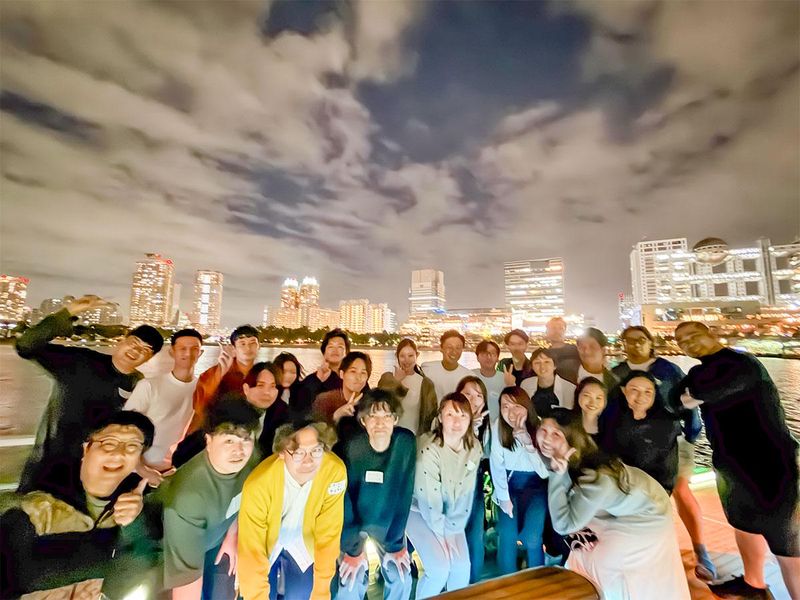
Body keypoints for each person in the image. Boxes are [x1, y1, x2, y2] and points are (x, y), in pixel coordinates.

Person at [674, 322, 800, 598]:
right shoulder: (697, 371)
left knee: (786, 541)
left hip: (771, 462)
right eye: (681, 341)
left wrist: (693, 395)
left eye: (693, 335)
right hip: (730, 464)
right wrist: (690, 396)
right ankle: (754, 583)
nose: (687, 343)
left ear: (711, 333)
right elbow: (677, 399)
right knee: (742, 523)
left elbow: (710, 391)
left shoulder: (743, 363)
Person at [16, 294, 164, 492]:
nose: (136, 351)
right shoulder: (80, 361)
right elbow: (26, 346)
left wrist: (140, 467)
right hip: (50, 465)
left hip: (100, 473)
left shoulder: (139, 384)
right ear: (122, 340)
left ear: (149, 358)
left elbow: (135, 430)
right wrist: (68, 312)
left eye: (145, 350)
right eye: (134, 343)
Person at [537, 409, 690, 600]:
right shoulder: (571, 456)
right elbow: (569, 514)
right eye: (543, 430)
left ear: (571, 438)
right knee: (580, 554)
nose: (546, 438)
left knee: (600, 563)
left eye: (556, 434)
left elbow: (563, 525)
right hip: (617, 508)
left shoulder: (596, 477)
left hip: (648, 514)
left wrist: (556, 475)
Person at [1, 411, 154, 598]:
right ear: (86, 448)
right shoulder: (35, 510)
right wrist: (106, 555)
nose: (118, 453)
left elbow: (140, 573)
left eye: (132, 446)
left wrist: (133, 525)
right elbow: (12, 576)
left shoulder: (138, 512)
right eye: (109, 443)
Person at [611, 325, 715, 581]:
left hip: (674, 438)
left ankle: (700, 549)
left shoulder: (668, 370)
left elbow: (688, 404)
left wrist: (690, 436)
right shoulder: (617, 373)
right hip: (632, 441)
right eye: (629, 340)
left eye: (641, 339)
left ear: (650, 342)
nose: (635, 344)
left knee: (680, 489)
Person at [156, 397, 261, 600]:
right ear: (209, 441)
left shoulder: (250, 460)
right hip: (171, 555)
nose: (239, 451)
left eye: (246, 439)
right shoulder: (189, 497)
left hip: (217, 538)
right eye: (229, 440)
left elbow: (240, 498)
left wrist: (232, 536)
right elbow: (186, 583)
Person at [237, 421, 347, 600]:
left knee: (302, 593)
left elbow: (328, 535)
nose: (308, 461)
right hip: (266, 543)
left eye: (316, 450)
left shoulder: (334, 472)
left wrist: (321, 591)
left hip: (306, 544)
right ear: (281, 452)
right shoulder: (258, 484)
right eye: (298, 452)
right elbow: (252, 552)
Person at [336, 390, 416, 600]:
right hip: (352, 526)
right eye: (373, 416)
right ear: (363, 421)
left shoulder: (405, 443)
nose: (380, 423)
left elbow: (404, 494)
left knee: (401, 577)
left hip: (387, 527)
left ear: (395, 419)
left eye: (386, 416)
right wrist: (354, 549)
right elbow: (343, 501)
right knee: (350, 583)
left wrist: (396, 545)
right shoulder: (350, 447)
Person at [406, 393, 482, 599]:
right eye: (450, 414)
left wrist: (454, 529)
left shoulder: (474, 447)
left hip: (450, 513)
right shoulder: (429, 450)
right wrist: (444, 536)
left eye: (462, 415)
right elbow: (428, 500)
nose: (457, 422)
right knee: (439, 568)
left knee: (461, 567)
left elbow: (466, 494)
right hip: (416, 510)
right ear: (440, 417)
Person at [125, 328, 204, 487]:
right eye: (182, 348)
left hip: (176, 472)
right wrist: (141, 469)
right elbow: (124, 430)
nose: (188, 353)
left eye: (194, 349)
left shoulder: (202, 389)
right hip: (137, 473)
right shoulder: (149, 386)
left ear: (200, 353)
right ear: (172, 352)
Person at [489, 387, 549, 575]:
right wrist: (503, 497)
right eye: (505, 407)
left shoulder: (541, 426)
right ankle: (506, 582)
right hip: (509, 486)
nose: (511, 412)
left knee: (532, 537)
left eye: (517, 406)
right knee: (507, 536)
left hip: (536, 488)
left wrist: (528, 443)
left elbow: (544, 473)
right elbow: (496, 465)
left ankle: (537, 580)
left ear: (527, 406)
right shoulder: (498, 427)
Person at [604, 372, 681, 494]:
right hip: (614, 489)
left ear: (655, 394)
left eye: (648, 392)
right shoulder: (609, 420)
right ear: (623, 390)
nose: (641, 396)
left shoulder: (667, 424)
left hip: (650, 492)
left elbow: (668, 469)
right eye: (634, 390)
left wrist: (661, 494)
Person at [188, 325, 261, 435]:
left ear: (259, 346)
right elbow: (199, 403)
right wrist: (221, 373)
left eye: (252, 343)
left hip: (245, 434)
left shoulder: (261, 376)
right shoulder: (216, 372)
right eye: (242, 344)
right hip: (211, 432)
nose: (248, 348)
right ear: (234, 349)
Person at [455, 376, 491, 583]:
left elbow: (483, 457)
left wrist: (474, 432)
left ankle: (473, 585)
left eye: (478, 396)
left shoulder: (487, 426)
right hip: (448, 484)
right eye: (467, 394)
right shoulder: (444, 419)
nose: (472, 400)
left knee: (475, 536)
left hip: (472, 484)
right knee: (451, 536)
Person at [377, 338, 438, 435]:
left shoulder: (425, 384)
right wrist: (396, 381)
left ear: (417, 355)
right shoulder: (387, 378)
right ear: (396, 356)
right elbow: (380, 405)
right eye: (402, 356)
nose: (406, 360)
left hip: (414, 437)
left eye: (410, 356)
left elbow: (431, 415)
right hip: (388, 436)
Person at [313, 351, 372, 446]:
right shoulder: (325, 400)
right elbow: (314, 437)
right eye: (353, 371)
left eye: (363, 373)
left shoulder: (371, 403)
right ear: (341, 374)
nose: (358, 377)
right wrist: (336, 416)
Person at [295, 329, 351, 417]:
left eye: (340, 347)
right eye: (331, 347)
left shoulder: (354, 377)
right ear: (324, 352)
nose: (335, 350)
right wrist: (317, 380)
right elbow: (299, 405)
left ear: (346, 353)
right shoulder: (313, 379)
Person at [242, 362, 290, 457]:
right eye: (260, 385)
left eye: (273, 386)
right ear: (246, 389)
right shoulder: (230, 413)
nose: (267, 392)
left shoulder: (282, 413)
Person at [520, 348, 576, 417]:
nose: (542, 367)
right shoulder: (525, 384)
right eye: (537, 363)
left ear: (555, 365)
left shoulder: (569, 388)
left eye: (547, 362)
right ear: (532, 366)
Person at [421, 330, 472, 401]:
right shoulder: (427, 369)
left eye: (458, 348)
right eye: (449, 347)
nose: (454, 352)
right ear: (441, 348)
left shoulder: (469, 376)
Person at [472, 339, 505, 422]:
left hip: (499, 423)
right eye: (484, 354)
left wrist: (511, 385)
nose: (488, 357)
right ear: (477, 358)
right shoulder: (469, 376)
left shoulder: (505, 379)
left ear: (497, 358)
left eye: (493, 354)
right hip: (474, 422)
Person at [571, 377, 608, 443]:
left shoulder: (611, 429)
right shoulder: (565, 421)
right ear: (578, 395)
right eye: (587, 396)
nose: (593, 403)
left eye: (598, 398)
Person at [544, 317, 580, 384]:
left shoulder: (575, 350)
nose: (557, 331)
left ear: (565, 331)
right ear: (547, 332)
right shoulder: (544, 354)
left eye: (561, 328)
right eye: (553, 328)